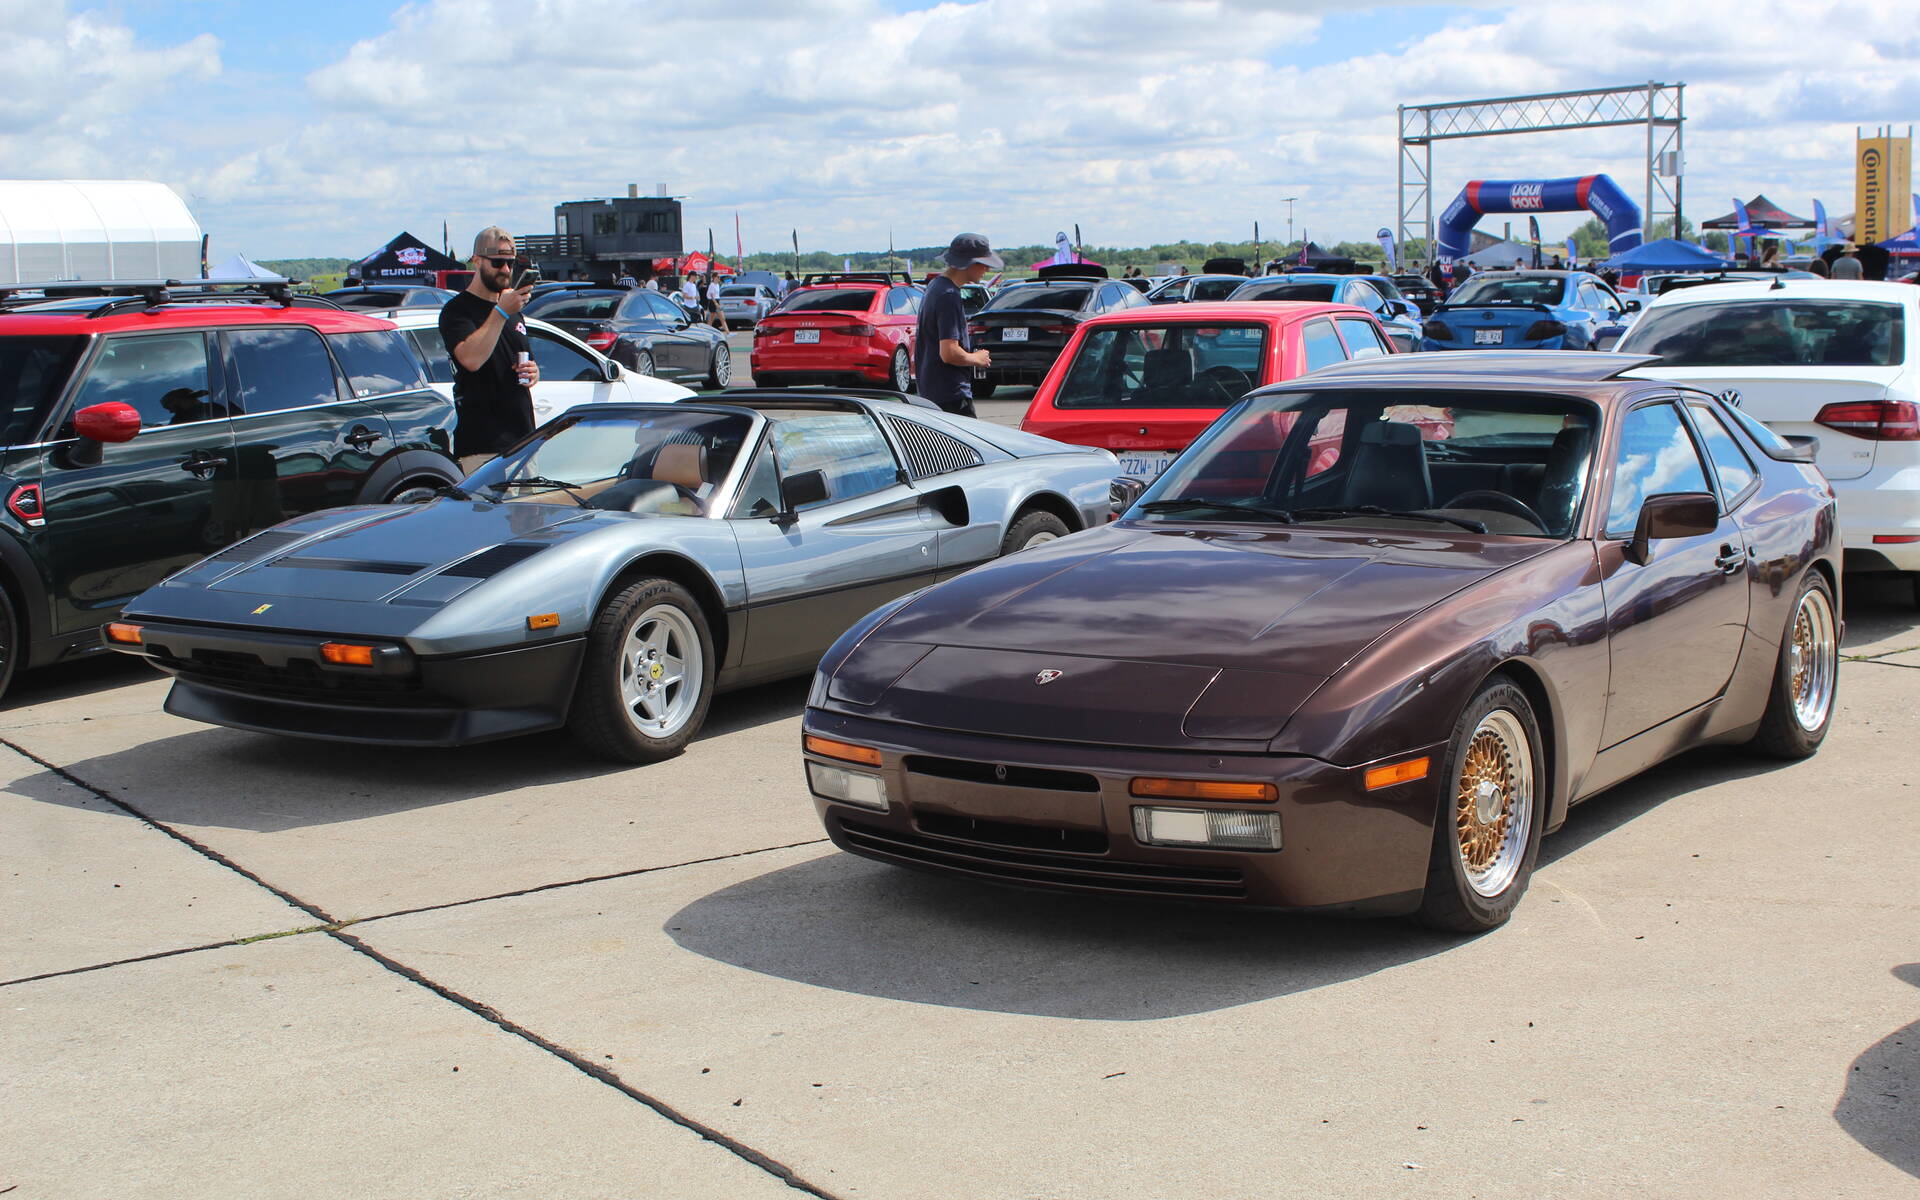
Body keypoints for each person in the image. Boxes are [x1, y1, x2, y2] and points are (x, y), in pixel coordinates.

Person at [438, 226, 540, 472]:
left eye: (510, 263)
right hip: (483, 446)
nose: (505, 270)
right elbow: (471, 359)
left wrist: (533, 372)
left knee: (530, 510)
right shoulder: (457, 311)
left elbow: (519, 360)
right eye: (497, 263)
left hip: (523, 441)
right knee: (489, 511)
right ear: (476, 261)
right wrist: (501, 312)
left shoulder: (512, 311)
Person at [915, 233, 1000, 417]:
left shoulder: (935, 286)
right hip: (951, 396)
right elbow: (949, 353)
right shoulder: (948, 295)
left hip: (932, 393)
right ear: (970, 263)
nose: (986, 269)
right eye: (984, 263)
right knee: (967, 446)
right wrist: (977, 358)